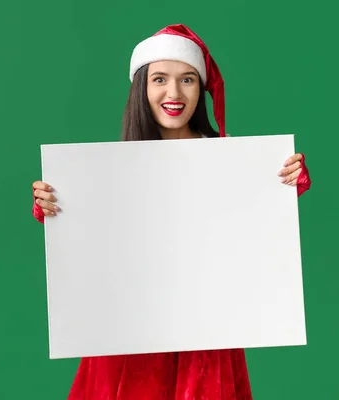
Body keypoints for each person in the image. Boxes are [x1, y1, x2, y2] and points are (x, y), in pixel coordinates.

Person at [31, 24, 311, 400]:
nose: (174, 93)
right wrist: (55, 205)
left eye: (188, 80)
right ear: (141, 88)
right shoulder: (108, 169)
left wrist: (283, 184)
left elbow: (250, 230)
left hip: (205, 336)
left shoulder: (231, 159)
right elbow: (93, 245)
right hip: (128, 336)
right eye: (160, 79)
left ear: (201, 89)